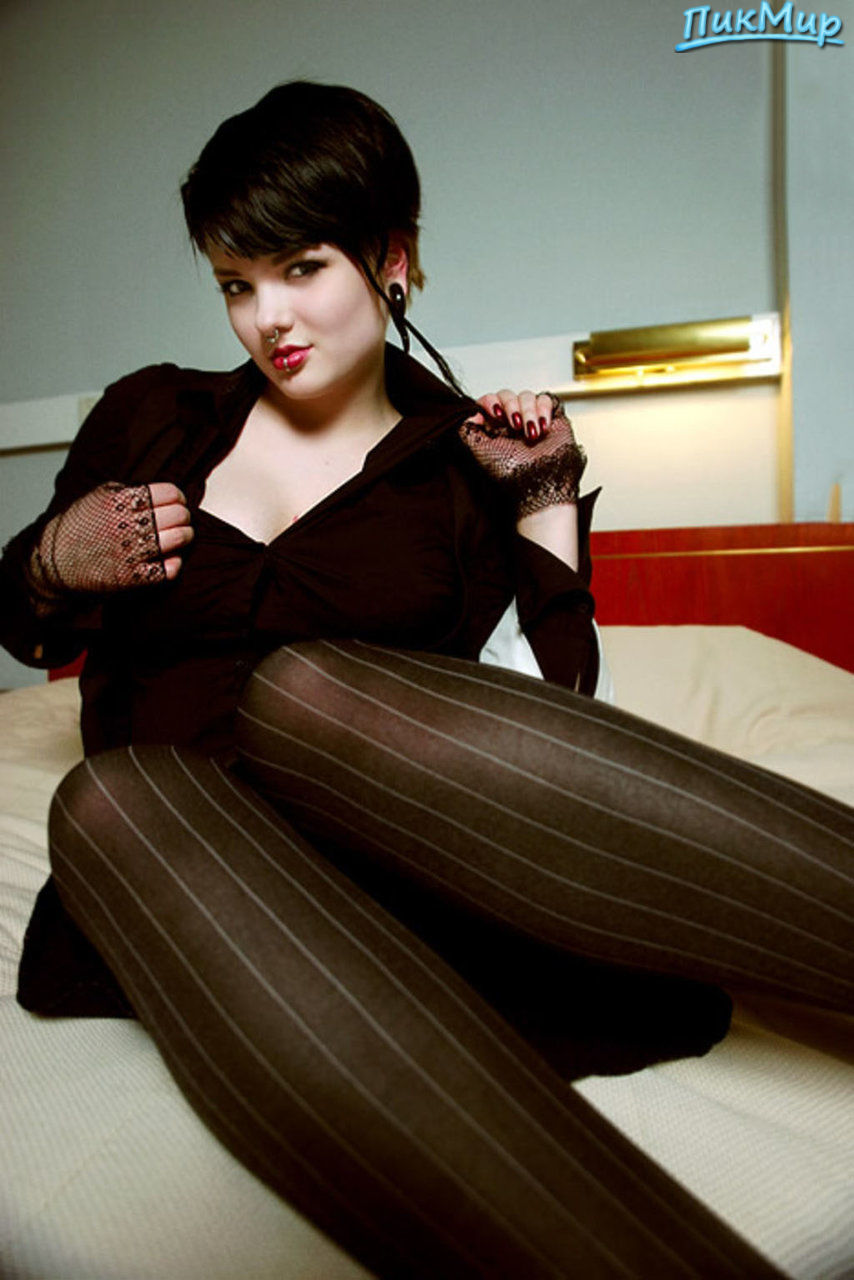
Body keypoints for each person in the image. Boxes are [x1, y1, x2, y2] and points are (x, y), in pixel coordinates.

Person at [1, 81, 851, 1279]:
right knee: (111, 792)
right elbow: (21, 622)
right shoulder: (151, 414)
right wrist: (56, 554)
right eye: (236, 283)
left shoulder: (461, 459)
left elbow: (545, 727)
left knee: (306, 689)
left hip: (392, 846)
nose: (266, 318)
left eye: (301, 268)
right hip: (186, 853)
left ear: (392, 257)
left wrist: (543, 504)